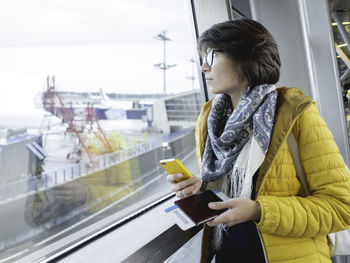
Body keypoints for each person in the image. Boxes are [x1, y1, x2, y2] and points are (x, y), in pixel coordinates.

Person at [167, 18, 350, 263]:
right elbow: (224, 193)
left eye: (211, 57)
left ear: (244, 57)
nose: (204, 67)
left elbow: (341, 207)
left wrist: (259, 210)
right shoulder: (210, 120)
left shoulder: (296, 113)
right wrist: (197, 191)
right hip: (228, 255)